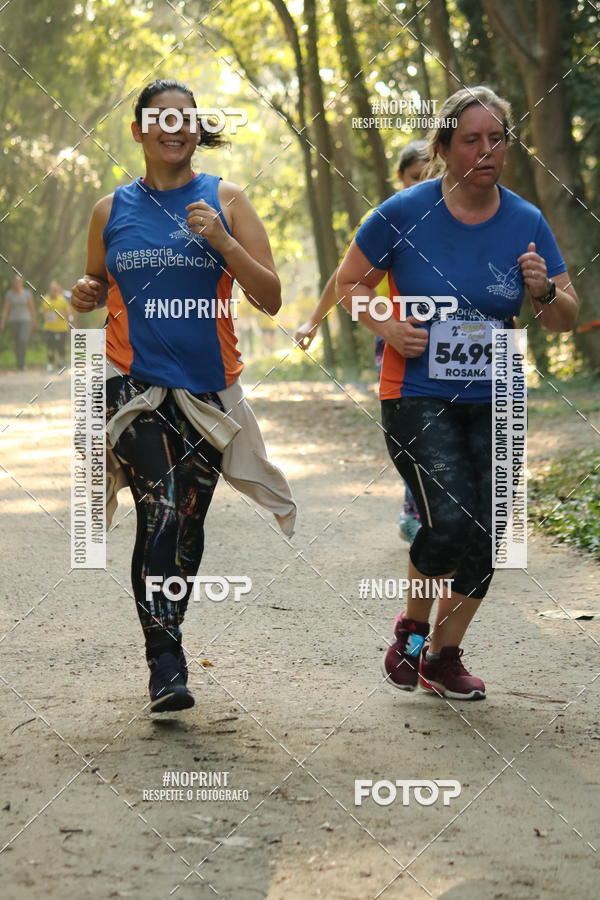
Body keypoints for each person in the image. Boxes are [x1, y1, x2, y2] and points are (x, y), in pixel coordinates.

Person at [337, 86, 578, 700]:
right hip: (415, 392)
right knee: (450, 520)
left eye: (497, 139)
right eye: (471, 139)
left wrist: (543, 293)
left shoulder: (526, 220)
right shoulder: (400, 212)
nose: (486, 150)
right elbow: (349, 286)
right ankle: (412, 636)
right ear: (443, 148)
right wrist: (386, 324)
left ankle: (443, 657)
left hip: (495, 395)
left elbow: (566, 314)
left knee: (494, 531)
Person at [71, 78, 295, 713]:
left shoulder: (226, 198)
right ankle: (165, 662)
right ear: (139, 131)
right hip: (130, 384)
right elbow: (94, 281)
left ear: (198, 130)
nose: (173, 127)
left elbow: (271, 297)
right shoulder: (109, 210)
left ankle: (167, 642)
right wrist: (85, 294)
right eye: (159, 118)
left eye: (185, 118)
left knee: (186, 521)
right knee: (161, 508)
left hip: (206, 390)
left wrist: (223, 243)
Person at [295, 141, 428, 543]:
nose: (423, 184)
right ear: (400, 179)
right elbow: (344, 275)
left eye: (431, 176)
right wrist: (313, 321)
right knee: (419, 428)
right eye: (414, 177)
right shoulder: (389, 220)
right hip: (396, 338)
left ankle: (465, 516)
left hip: (457, 340)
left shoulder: (461, 214)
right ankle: (416, 509)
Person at [1, 275, 37, 370]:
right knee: (17, 343)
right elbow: (6, 309)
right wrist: (2, 322)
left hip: (26, 321)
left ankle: (23, 363)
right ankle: (19, 364)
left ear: (21, 283)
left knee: (23, 340)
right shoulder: (9, 294)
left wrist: (34, 321)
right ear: (14, 283)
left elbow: (32, 308)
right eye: (16, 282)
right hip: (13, 321)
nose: (17, 284)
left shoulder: (27, 293)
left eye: (19, 282)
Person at [41, 280, 71, 372]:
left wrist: (59, 313)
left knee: (61, 347)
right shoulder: (46, 298)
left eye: (55, 289)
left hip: (61, 328)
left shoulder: (62, 299)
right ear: (50, 289)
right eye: (52, 289)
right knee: (50, 347)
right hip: (49, 328)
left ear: (57, 289)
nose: (53, 290)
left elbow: (68, 312)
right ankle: (50, 364)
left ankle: (62, 363)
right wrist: (46, 314)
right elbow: (42, 310)